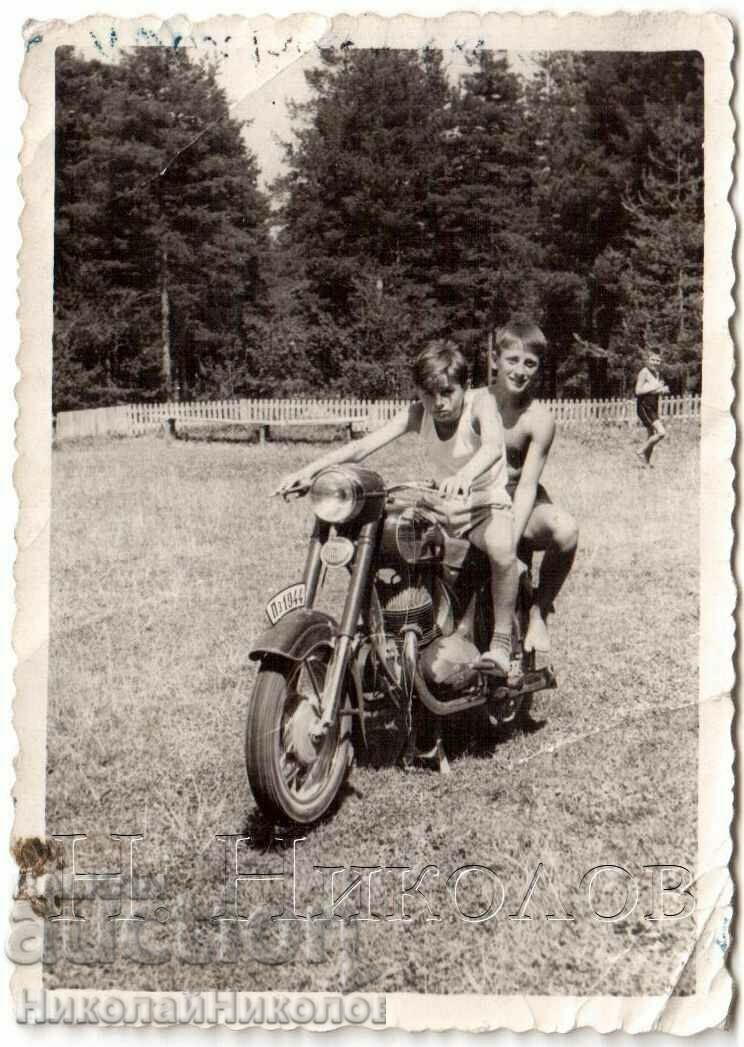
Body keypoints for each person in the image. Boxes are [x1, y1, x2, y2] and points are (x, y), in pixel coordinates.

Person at [276, 340, 519, 678]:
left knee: (502, 550)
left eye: (447, 392)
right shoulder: (419, 412)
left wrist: (465, 476)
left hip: (484, 501)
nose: (439, 403)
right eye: (428, 394)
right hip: (443, 502)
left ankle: (502, 644)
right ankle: (398, 629)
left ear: (464, 386)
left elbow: (492, 446)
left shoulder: (482, 404)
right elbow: (362, 446)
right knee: (390, 533)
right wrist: (309, 472)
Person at [487, 321, 578, 658]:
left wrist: (510, 544)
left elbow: (526, 485)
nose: (519, 371)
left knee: (566, 530)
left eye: (530, 364)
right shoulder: (473, 402)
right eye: (512, 360)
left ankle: (539, 609)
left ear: (539, 369)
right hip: (483, 497)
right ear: (495, 359)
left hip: (521, 499)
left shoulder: (538, 418)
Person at [635, 352, 669, 466]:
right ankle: (640, 451)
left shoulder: (658, 373)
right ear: (648, 360)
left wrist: (662, 390)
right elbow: (638, 391)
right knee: (661, 433)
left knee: (651, 435)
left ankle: (646, 463)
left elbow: (655, 390)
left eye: (658, 360)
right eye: (653, 360)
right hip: (644, 406)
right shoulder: (644, 372)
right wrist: (654, 387)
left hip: (653, 406)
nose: (655, 363)